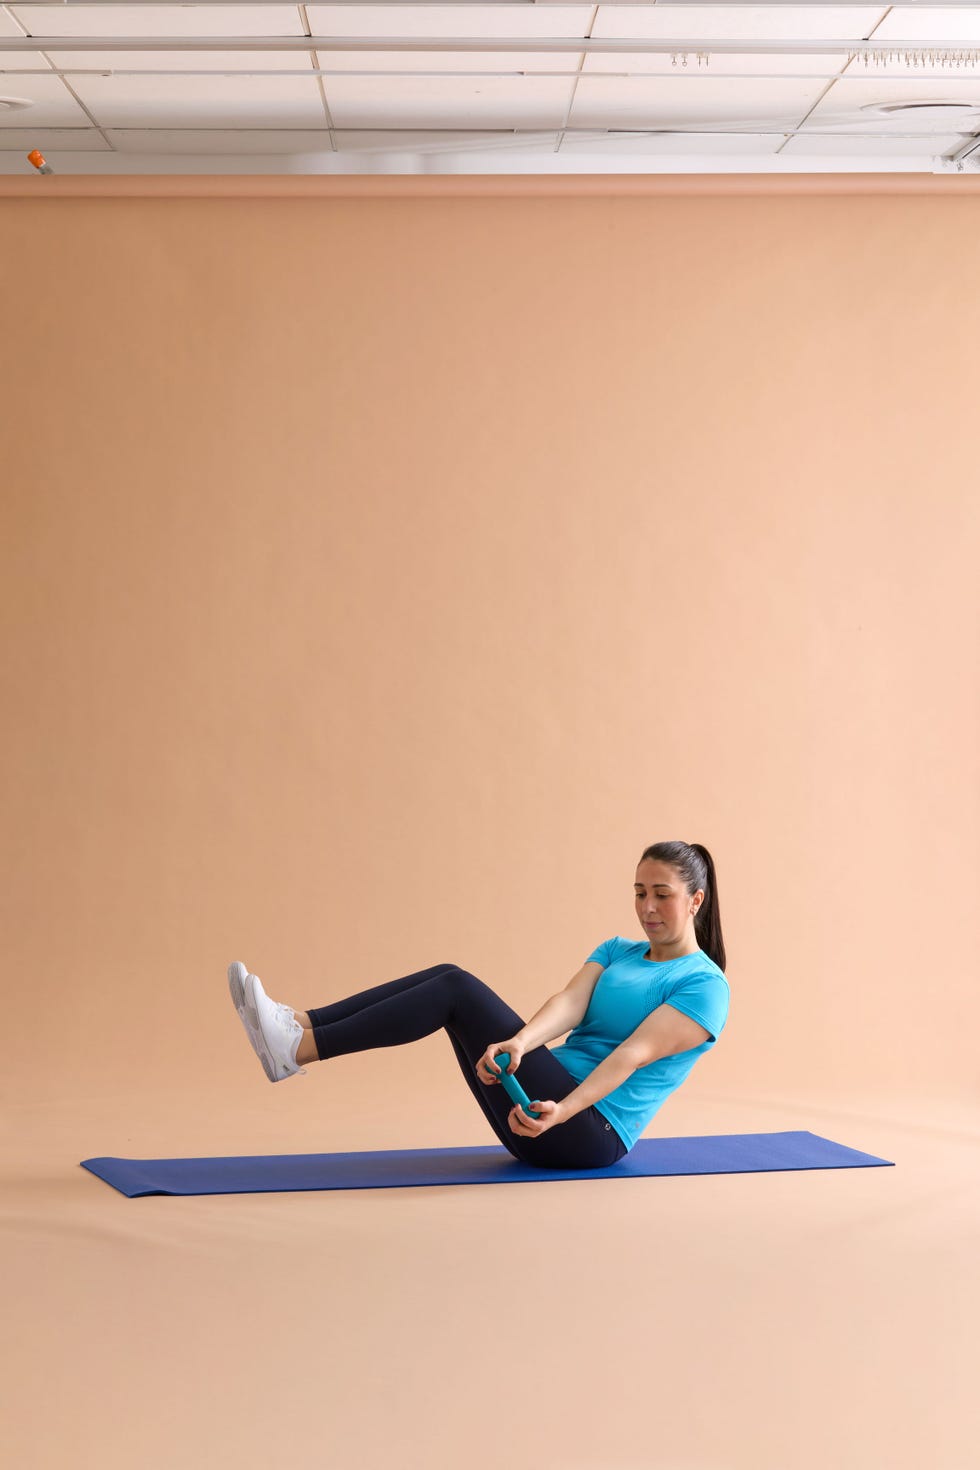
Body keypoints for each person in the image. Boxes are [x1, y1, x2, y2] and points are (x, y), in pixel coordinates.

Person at [228, 840, 730, 1171]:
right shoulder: (619, 950)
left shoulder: (703, 985)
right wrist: (520, 1042)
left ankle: (296, 1049)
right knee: (447, 979)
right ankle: (301, 1025)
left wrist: (563, 1111)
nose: (646, 907)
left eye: (661, 895)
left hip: (582, 1129)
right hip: (538, 1108)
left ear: (695, 901)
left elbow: (632, 1055)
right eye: (639, 892)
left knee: (456, 990)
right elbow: (569, 1004)